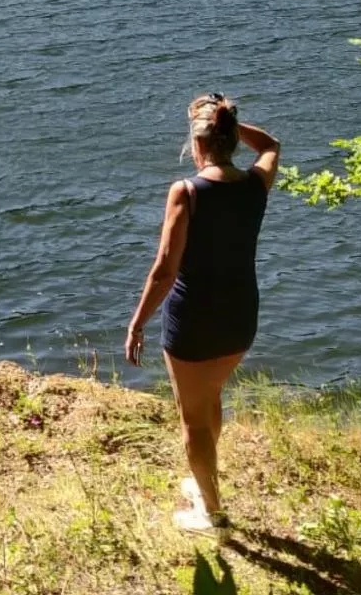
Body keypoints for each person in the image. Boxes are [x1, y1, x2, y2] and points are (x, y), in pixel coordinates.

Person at [124, 93, 280, 534]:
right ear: (232, 138)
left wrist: (137, 323)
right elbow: (271, 145)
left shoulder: (187, 191)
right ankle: (203, 480)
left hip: (194, 323)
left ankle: (211, 513)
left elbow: (164, 270)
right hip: (240, 318)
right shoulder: (256, 183)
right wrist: (230, 119)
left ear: (196, 145)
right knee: (210, 397)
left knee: (192, 418)